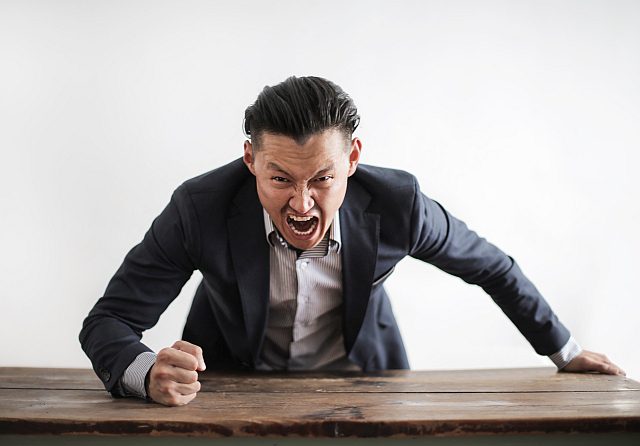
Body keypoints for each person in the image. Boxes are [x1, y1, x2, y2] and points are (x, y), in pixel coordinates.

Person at [80, 75, 625, 407]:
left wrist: (565, 350)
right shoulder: (199, 209)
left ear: (353, 161)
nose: (301, 204)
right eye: (279, 179)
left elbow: (492, 267)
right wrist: (145, 372)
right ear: (250, 160)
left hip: (365, 384)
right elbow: (108, 321)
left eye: (321, 178)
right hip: (228, 387)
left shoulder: (399, 205)